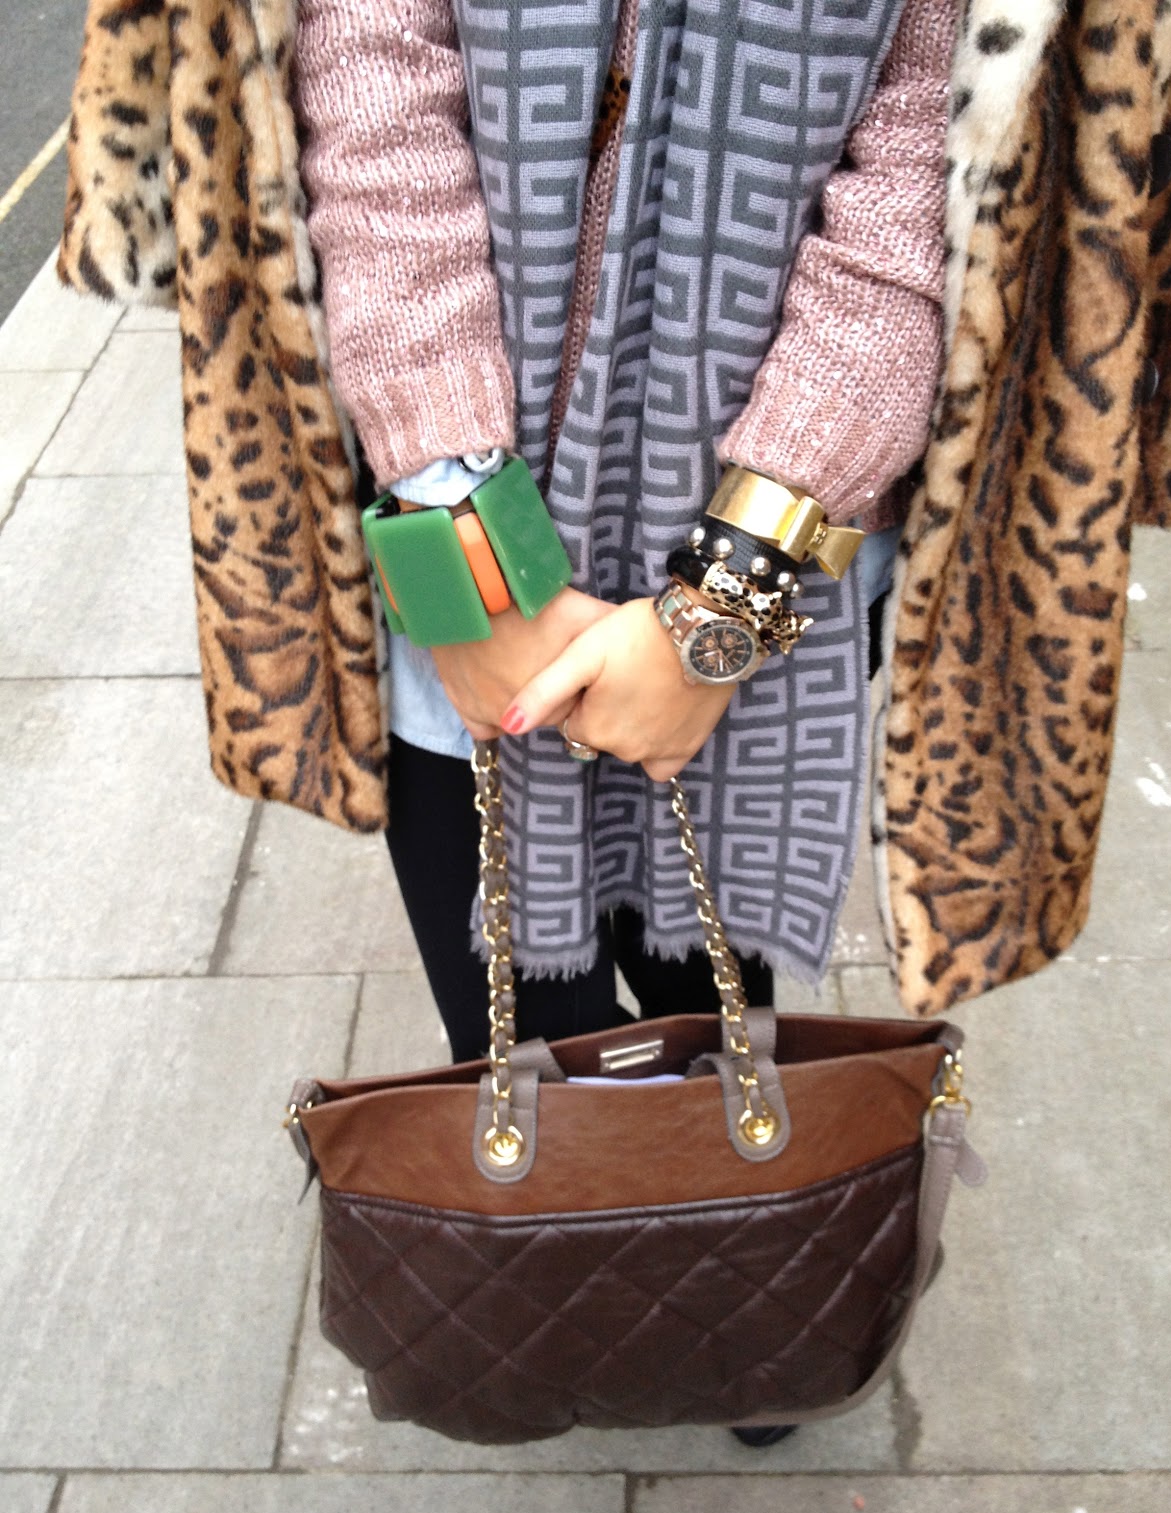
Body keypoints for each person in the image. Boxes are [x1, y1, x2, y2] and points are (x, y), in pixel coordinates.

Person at [290, 0, 956, 1065]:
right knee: (519, 1053)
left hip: (779, 553)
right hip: (451, 498)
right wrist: (464, 553)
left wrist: (717, 611)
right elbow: (375, 90)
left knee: (714, 1035)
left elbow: (919, 186)